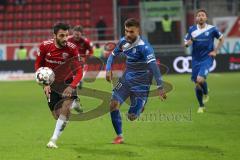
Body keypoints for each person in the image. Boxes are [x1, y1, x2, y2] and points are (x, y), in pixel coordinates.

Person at [106, 18, 167, 144]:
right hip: (126, 78)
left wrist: (160, 86)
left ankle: (142, 104)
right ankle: (120, 136)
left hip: (142, 82)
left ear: (138, 31)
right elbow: (112, 55)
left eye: (131, 32)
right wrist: (108, 69)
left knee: (131, 117)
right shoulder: (123, 42)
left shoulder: (145, 47)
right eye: (126, 31)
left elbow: (154, 66)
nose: (128, 34)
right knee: (113, 104)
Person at [35, 22, 83, 148]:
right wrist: (45, 84)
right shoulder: (44, 47)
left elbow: (79, 71)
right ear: (54, 35)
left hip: (67, 82)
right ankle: (74, 103)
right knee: (57, 116)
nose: (65, 39)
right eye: (61, 35)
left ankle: (53, 140)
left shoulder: (72, 48)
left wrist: (72, 86)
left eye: (67, 35)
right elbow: (38, 65)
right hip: (50, 84)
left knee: (64, 112)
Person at [184, 9, 224, 113]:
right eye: (199, 15)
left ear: (206, 18)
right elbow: (186, 44)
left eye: (203, 15)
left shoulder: (212, 29)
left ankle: (206, 92)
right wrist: (191, 40)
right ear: (196, 18)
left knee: (200, 79)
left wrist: (215, 51)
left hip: (207, 58)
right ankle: (201, 106)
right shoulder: (191, 29)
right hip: (195, 59)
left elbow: (221, 38)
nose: (201, 17)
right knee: (197, 84)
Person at [68, 25, 93, 90]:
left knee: (77, 79)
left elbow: (91, 51)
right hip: (70, 62)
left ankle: (79, 82)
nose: (76, 36)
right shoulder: (68, 40)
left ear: (81, 34)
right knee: (72, 80)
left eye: (78, 35)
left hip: (81, 63)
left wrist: (86, 58)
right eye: (75, 34)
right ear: (73, 33)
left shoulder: (85, 41)